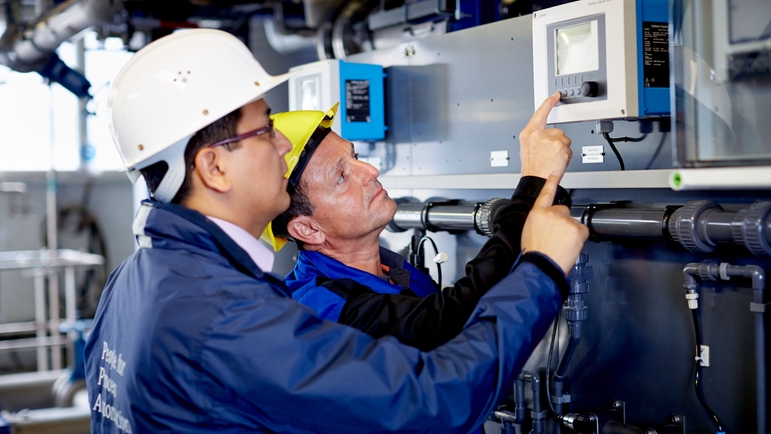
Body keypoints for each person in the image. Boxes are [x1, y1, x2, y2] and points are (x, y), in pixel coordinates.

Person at [85, 28, 588, 433]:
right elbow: (437, 401)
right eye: (264, 129)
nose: (282, 144)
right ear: (214, 167)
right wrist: (541, 269)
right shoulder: (225, 315)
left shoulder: (134, 280)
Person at [267, 95, 573, 351]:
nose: (370, 170)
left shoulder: (393, 273)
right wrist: (535, 183)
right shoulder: (324, 312)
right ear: (308, 229)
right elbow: (454, 325)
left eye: (355, 156)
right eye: (342, 176)